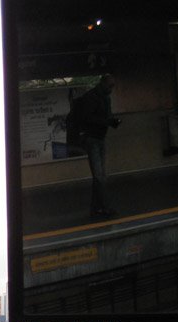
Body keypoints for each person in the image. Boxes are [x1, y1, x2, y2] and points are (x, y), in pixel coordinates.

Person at [80, 74, 121, 217]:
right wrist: (107, 122)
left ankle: (96, 208)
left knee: (100, 176)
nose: (111, 89)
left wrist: (112, 121)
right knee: (99, 176)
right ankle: (104, 207)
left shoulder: (104, 98)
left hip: (99, 138)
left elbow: (106, 116)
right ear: (103, 84)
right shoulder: (92, 97)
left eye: (113, 86)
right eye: (110, 86)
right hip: (92, 139)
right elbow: (89, 118)